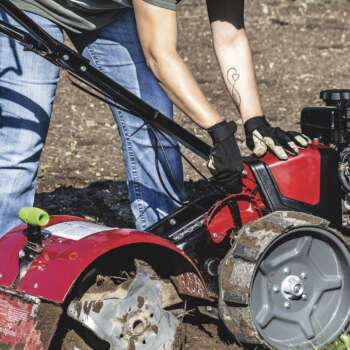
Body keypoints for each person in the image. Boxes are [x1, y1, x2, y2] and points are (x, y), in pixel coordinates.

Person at [0, 0, 309, 236]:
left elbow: (230, 37)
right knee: (21, 140)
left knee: (155, 126)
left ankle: (169, 244)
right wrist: (220, 132)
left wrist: (255, 121)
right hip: (35, 6)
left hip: (108, 9)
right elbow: (159, 56)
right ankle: (5, 264)